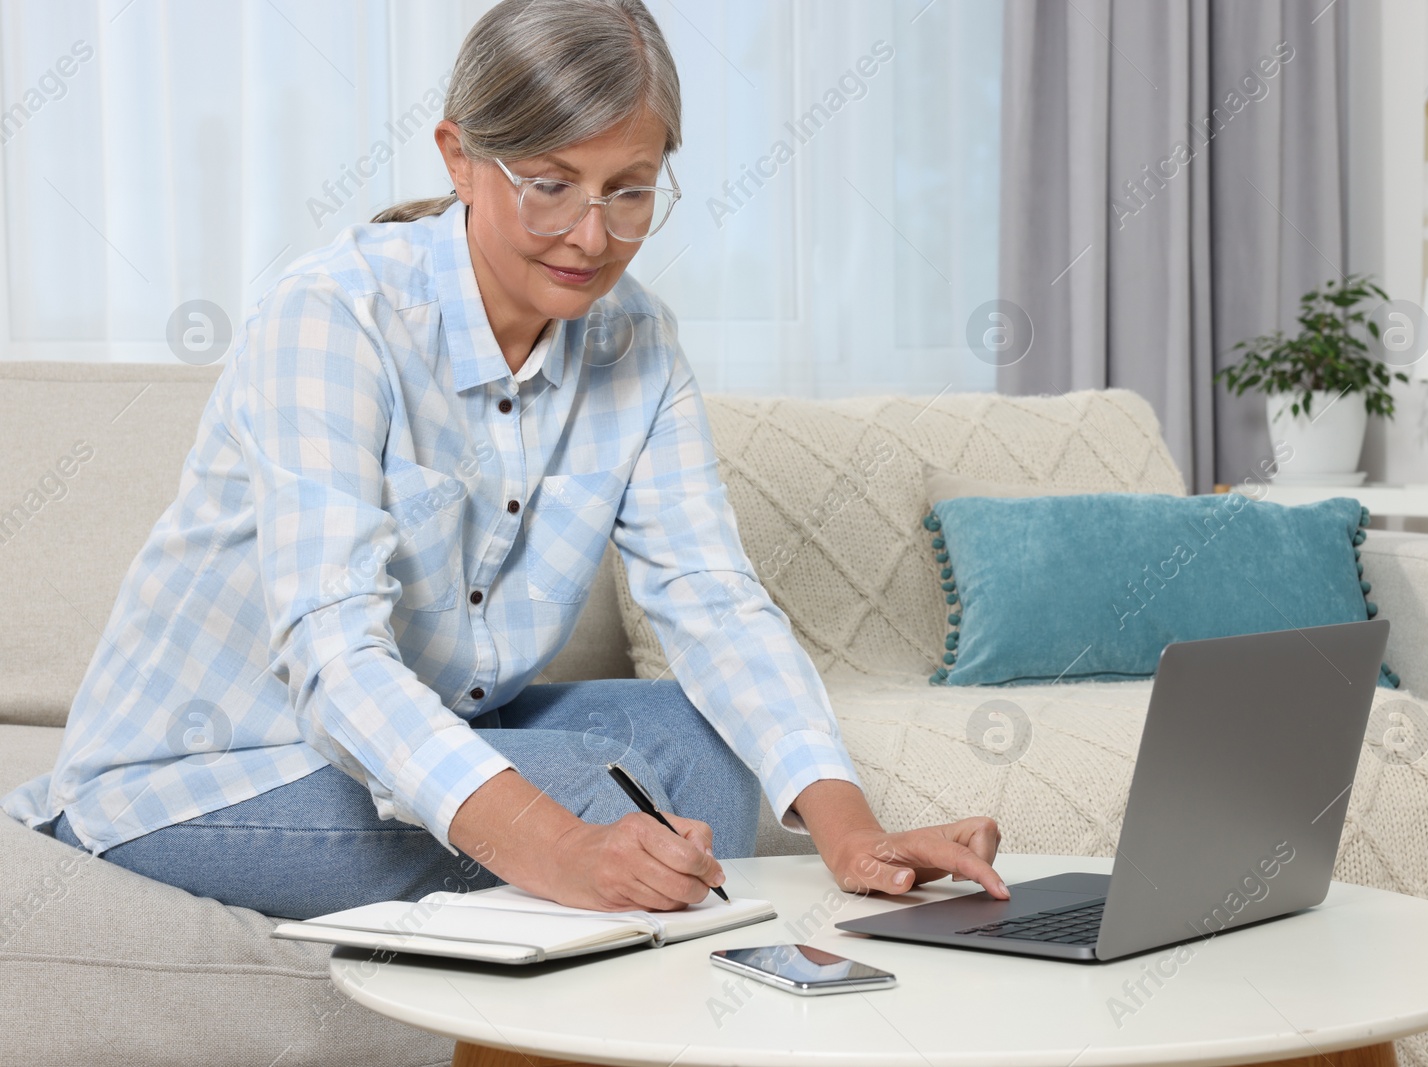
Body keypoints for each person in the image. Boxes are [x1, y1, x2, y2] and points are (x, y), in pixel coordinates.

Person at [2, 0, 1008, 921]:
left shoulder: (638, 342)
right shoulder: (333, 313)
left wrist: (850, 829)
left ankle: (689, 996)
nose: (591, 233)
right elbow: (335, 654)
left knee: (702, 737)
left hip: (409, 732)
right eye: (550, 184)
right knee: (586, 784)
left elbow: (711, 595)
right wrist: (562, 847)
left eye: (630, 190)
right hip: (203, 772)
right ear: (458, 155)